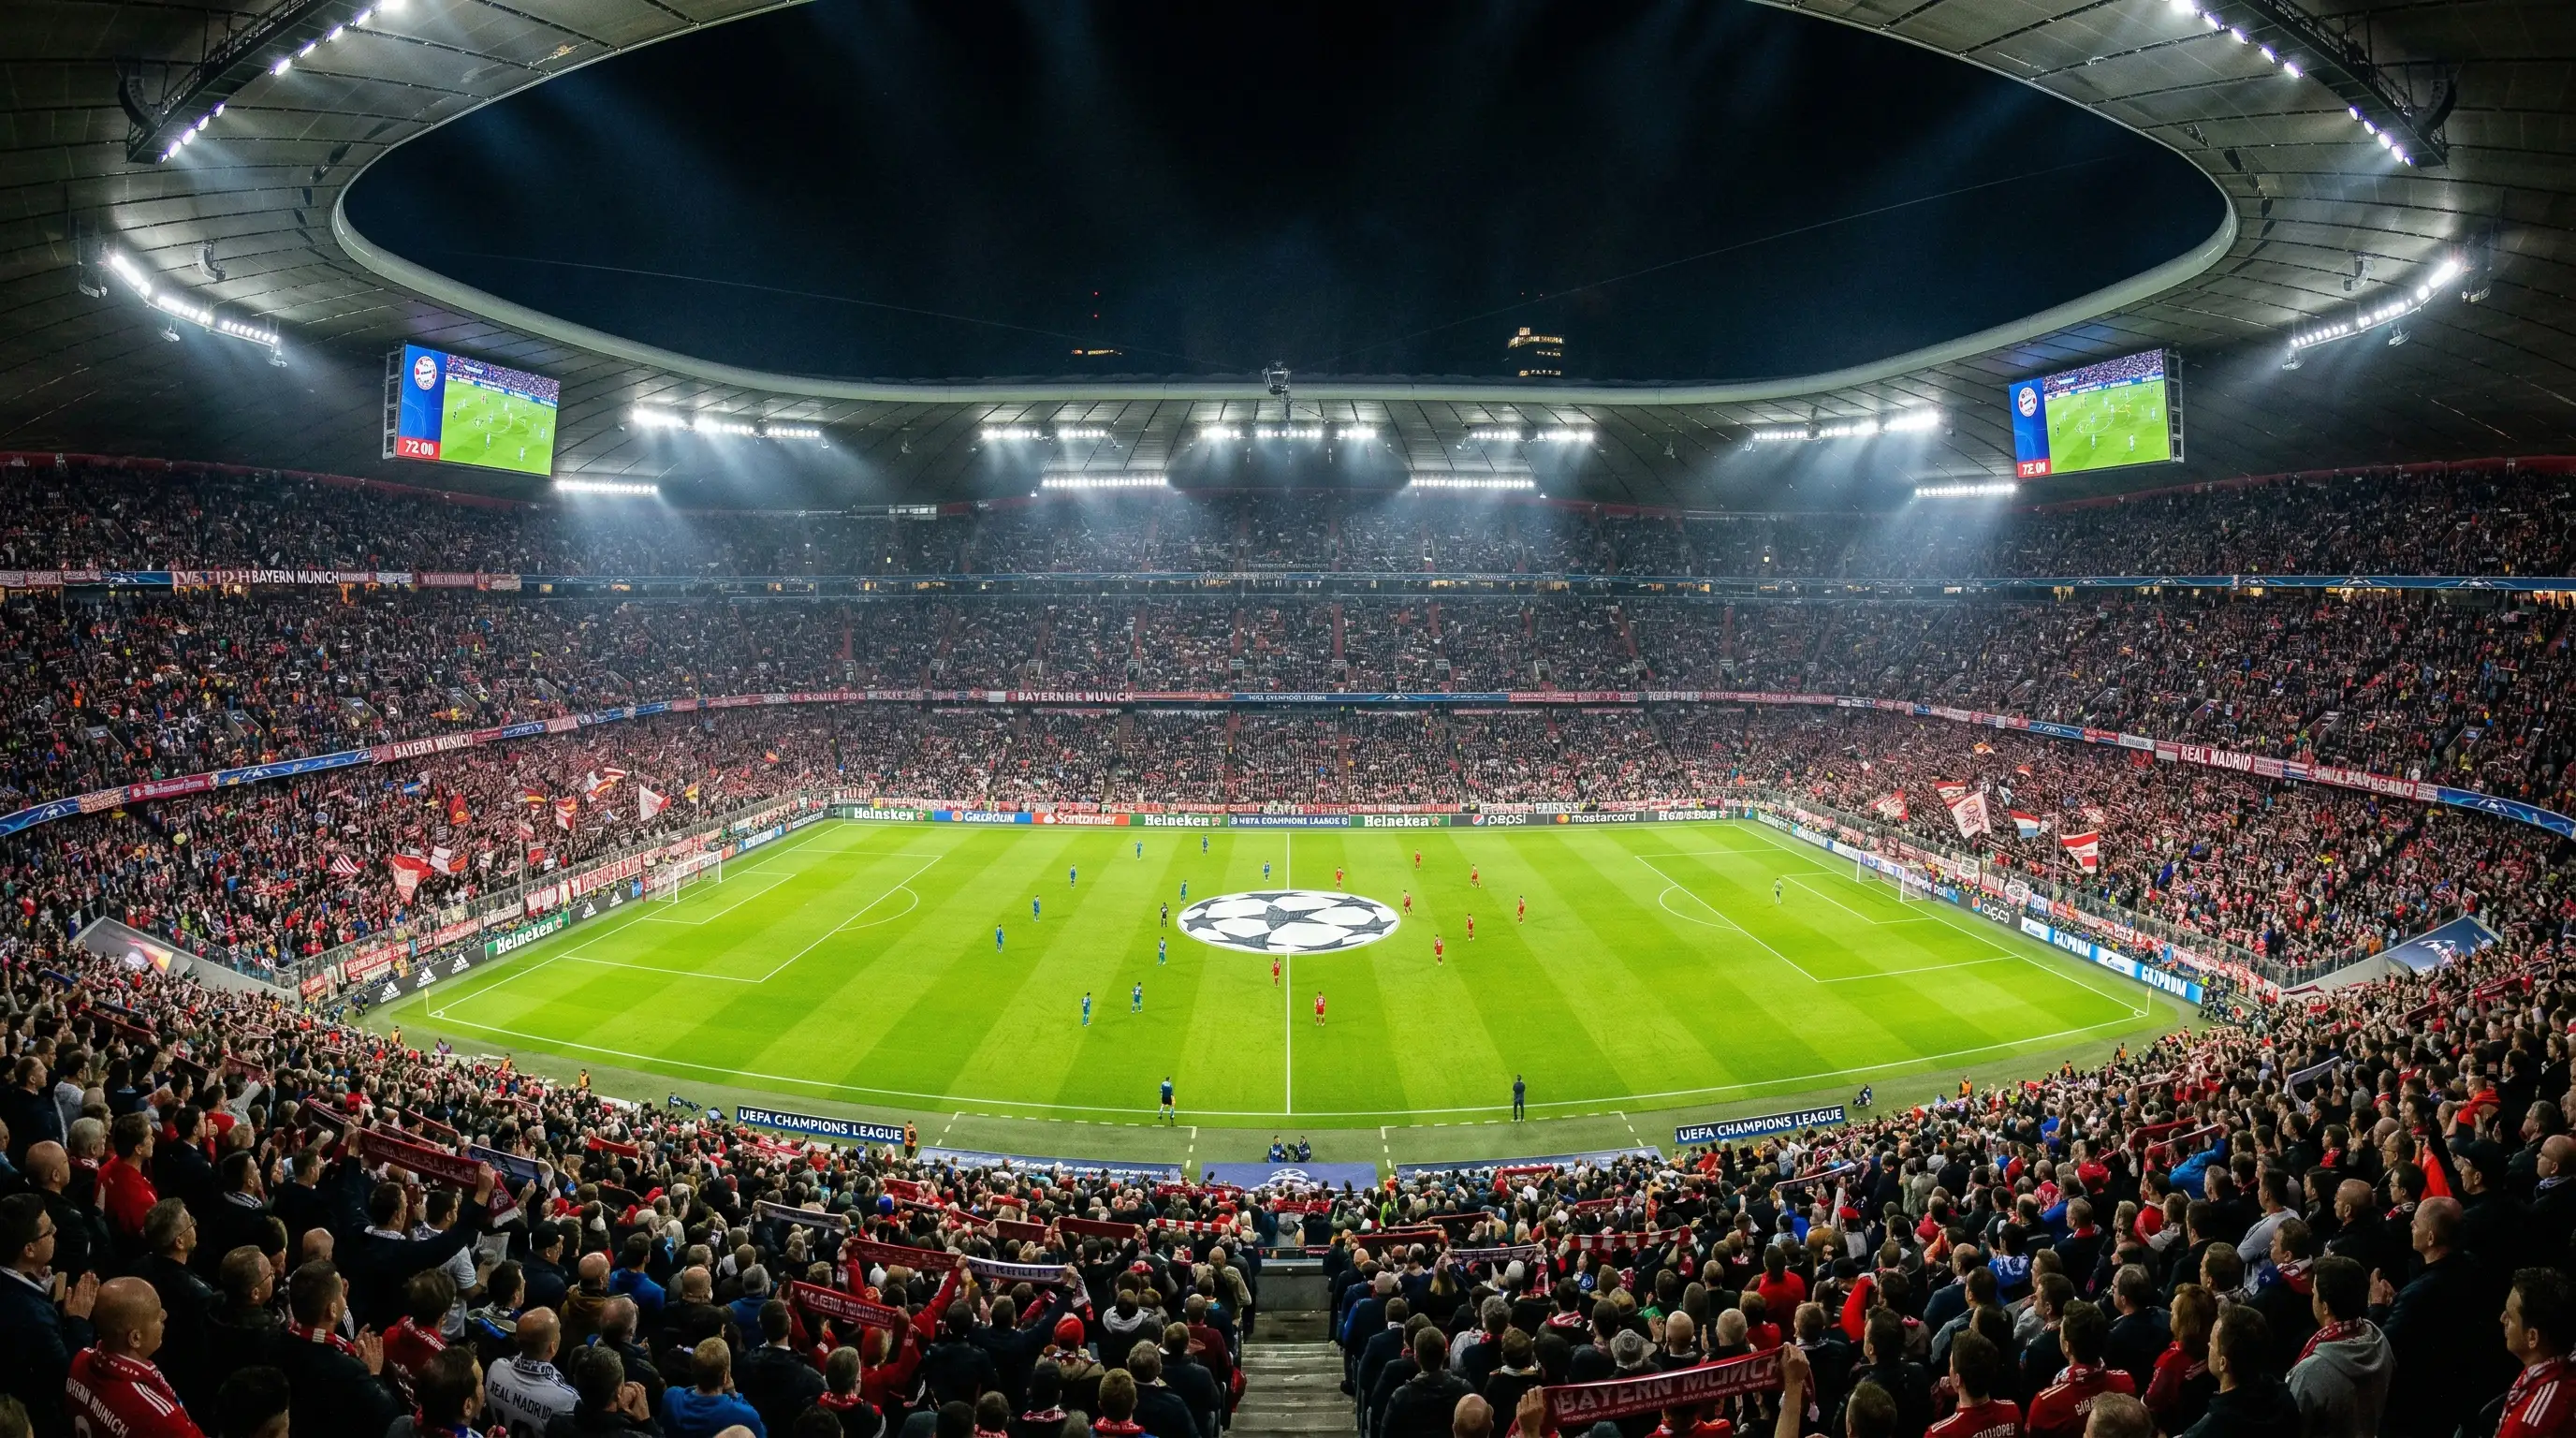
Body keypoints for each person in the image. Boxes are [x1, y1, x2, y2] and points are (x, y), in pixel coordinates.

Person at [0, 1192, 98, 1437]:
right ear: (29, 1249)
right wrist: (78, 1321)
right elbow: (66, 1376)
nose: (56, 1231)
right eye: (49, 1230)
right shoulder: (33, 1316)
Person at [2495, 1268, 2575, 1438]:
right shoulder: (2561, 1368)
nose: (2502, 1319)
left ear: (2532, 1337)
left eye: (2510, 1316)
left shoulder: (2525, 1426)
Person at [661, 1336, 765, 1438]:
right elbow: (762, 1433)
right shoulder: (745, 1416)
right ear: (725, 1377)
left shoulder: (670, 1398)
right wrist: (734, 1394)